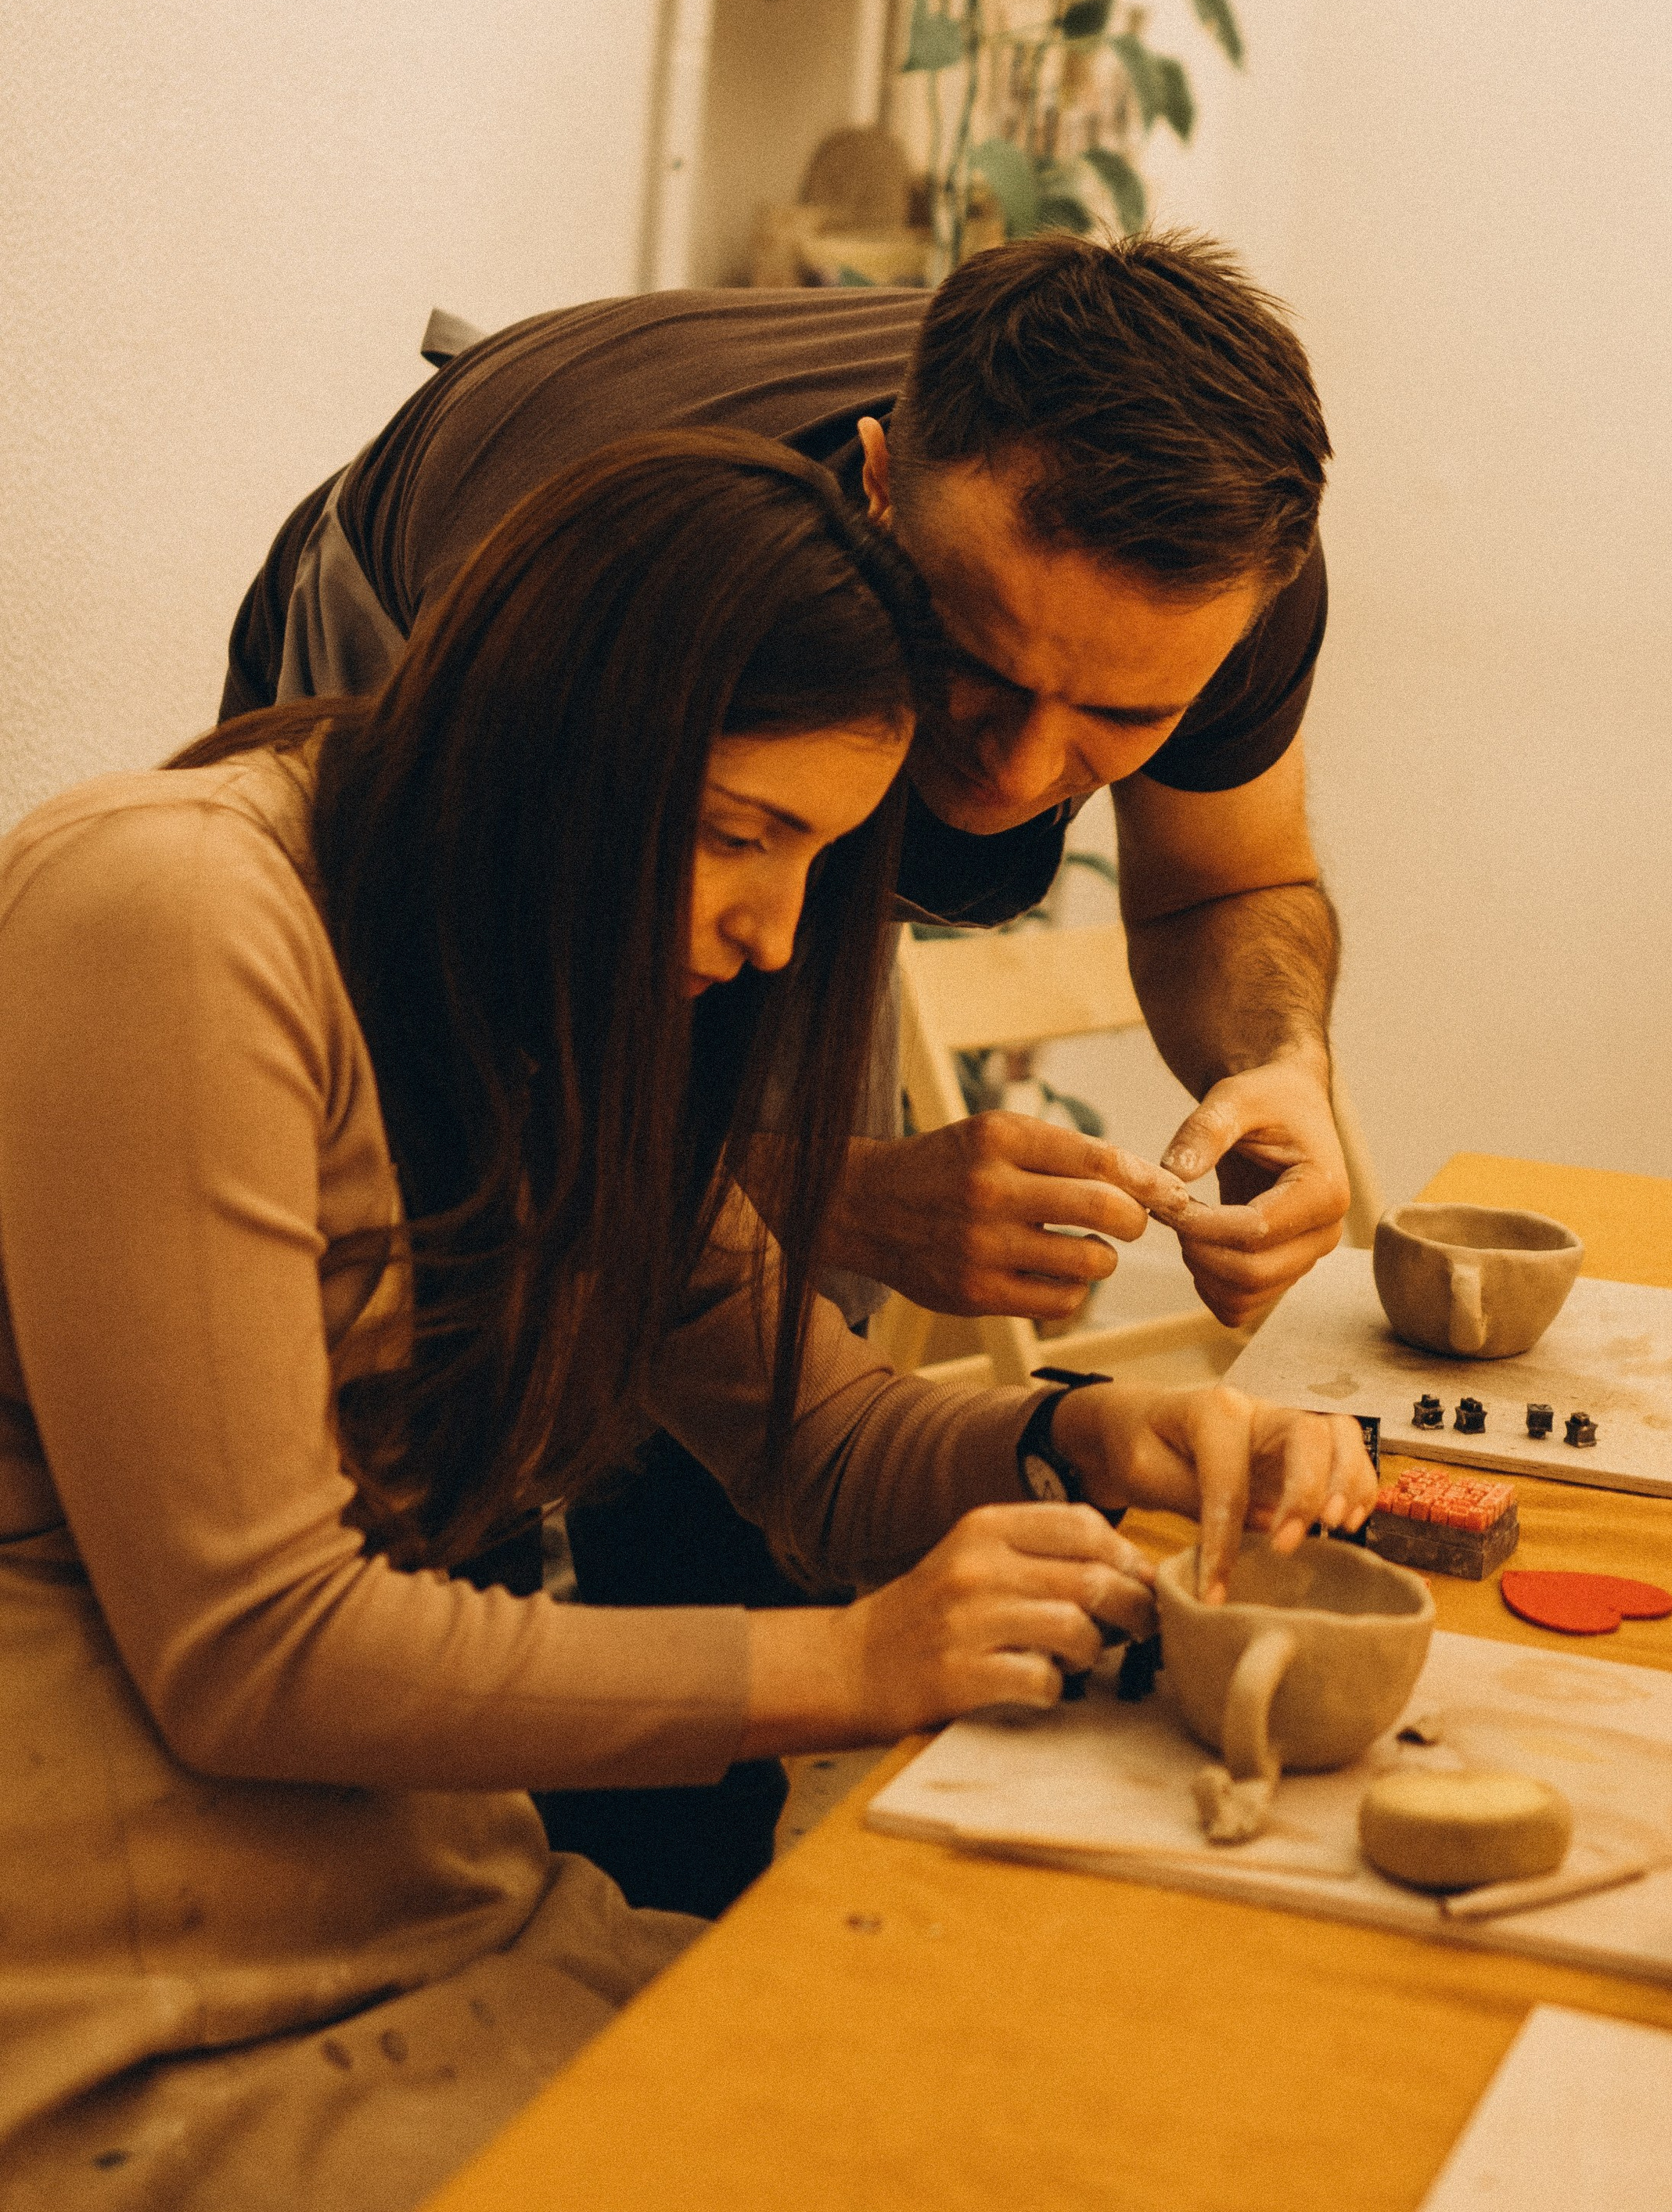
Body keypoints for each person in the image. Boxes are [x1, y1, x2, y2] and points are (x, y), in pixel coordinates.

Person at [0, 433, 1377, 2212]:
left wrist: (1088, 1440)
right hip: (112, 1998)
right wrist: (851, 1666)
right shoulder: (174, 911)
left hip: (432, 1910)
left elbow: (827, 1442)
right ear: (555, 757)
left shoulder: (538, 977)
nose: (771, 928)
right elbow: (255, 1647)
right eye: (744, 836)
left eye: (818, 858)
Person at [223, 231, 1349, 1908]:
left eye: (1115, 721)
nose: (1025, 772)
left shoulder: (1207, 579)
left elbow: (1233, 886)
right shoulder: (579, 589)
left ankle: (661, 1906)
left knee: (729, 1416)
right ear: (876, 488)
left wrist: (1281, 1075)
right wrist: (821, 1185)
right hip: (432, 665)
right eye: (975, 665)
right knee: (444, 1398)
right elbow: (461, 1107)